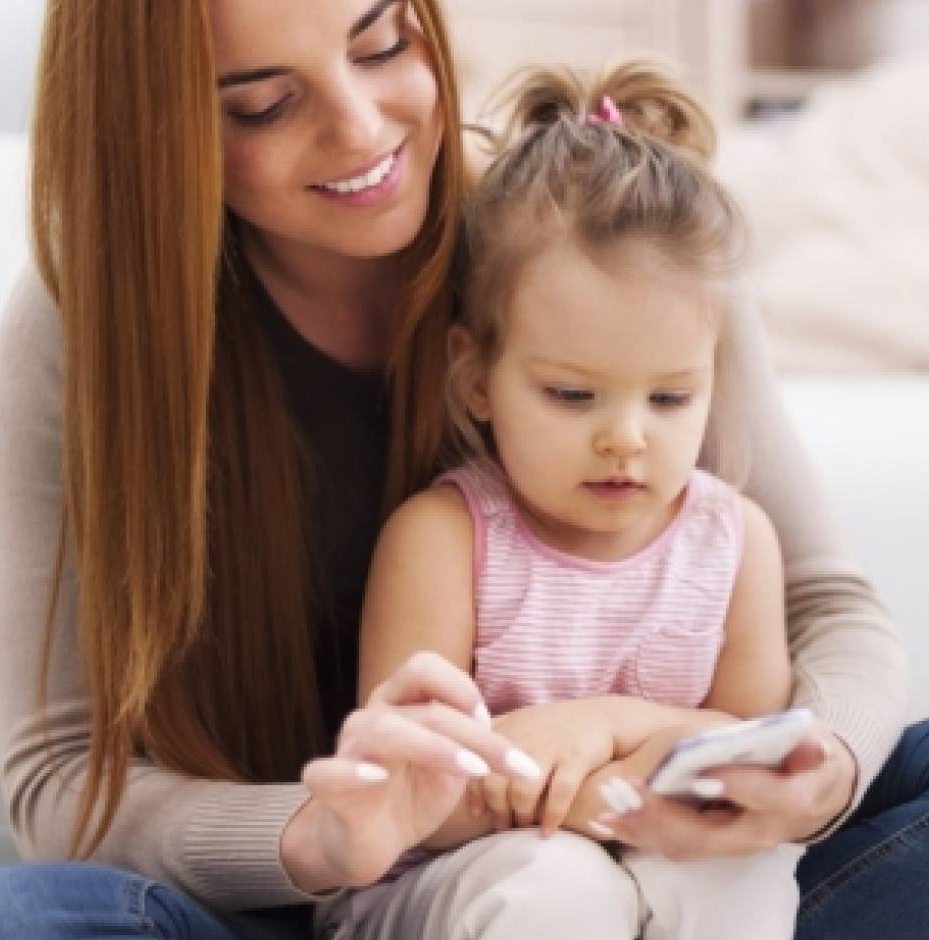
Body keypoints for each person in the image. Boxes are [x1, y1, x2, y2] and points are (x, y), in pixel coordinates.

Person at [0, 0, 929, 937]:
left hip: (668, 880)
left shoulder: (600, 231)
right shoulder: (87, 333)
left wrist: (806, 769)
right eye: (262, 103)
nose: (360, 127)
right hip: (346, 900)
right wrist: (317, 834)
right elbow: (65, 782)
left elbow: (830, 608)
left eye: (383, 41)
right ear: (159, 129)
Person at [315, 60, 805, 940]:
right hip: (461, 882)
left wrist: (599, 725)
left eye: (669, 399)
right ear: (475, 379)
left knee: (738, 876)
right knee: (558, 885)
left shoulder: (736, 544)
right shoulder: (445, 539)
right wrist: (626, 787)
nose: (628, 438)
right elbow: (416, 796)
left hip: (649, 861)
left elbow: (751, 770)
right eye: (573, 396)